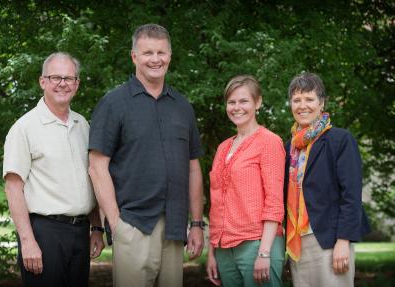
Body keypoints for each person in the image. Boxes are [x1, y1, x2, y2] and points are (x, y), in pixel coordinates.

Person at [88, 23, 205, 287]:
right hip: (133, 224)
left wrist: (197, 223)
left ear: (170, 56)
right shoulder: (113, 104)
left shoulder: (182, 106)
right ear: (134, 57)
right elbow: (97, 168)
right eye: (148, 52)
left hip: (175, 226)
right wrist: (116, 224)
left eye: (161, 52)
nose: (155, 59)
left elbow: (193, 168)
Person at [3, 52, 104, 287]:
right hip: (44, 233)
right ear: (43, 82)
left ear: (77, 84)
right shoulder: (24, 128)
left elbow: (90, 180)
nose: (62, 83)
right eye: (55, 77)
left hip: (81, 233)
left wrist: (97, 227)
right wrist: (27, 241)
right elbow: (13, 188)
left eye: (69, 78)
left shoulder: (83, 125)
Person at [284, 72, 371, 287]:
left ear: (321, 103)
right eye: (296, 100)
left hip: (330, 241)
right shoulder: (288, 148)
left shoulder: (340, 140)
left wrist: (343, 241)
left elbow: (351, 196)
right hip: (297, 244)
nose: (302, 106)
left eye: (309, 99)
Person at [206, 75, 286, 287]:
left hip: (257, 244)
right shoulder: (223, 148)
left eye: (243, 101)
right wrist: (212, 251)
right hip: (224, 249)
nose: (236, 107)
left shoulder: (269, 142)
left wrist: (265, 253)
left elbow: (274, 202)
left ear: (257, 102)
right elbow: (216, 204)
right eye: (231, 102)